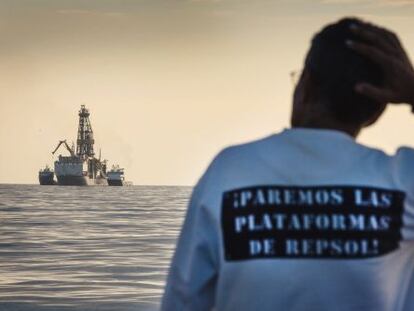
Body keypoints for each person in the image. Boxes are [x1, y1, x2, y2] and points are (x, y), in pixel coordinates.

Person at [161, 17, 414, 311]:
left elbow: (183, 300)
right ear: (376, 111)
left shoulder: (231, 171)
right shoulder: (402, 179)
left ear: (305, 84)